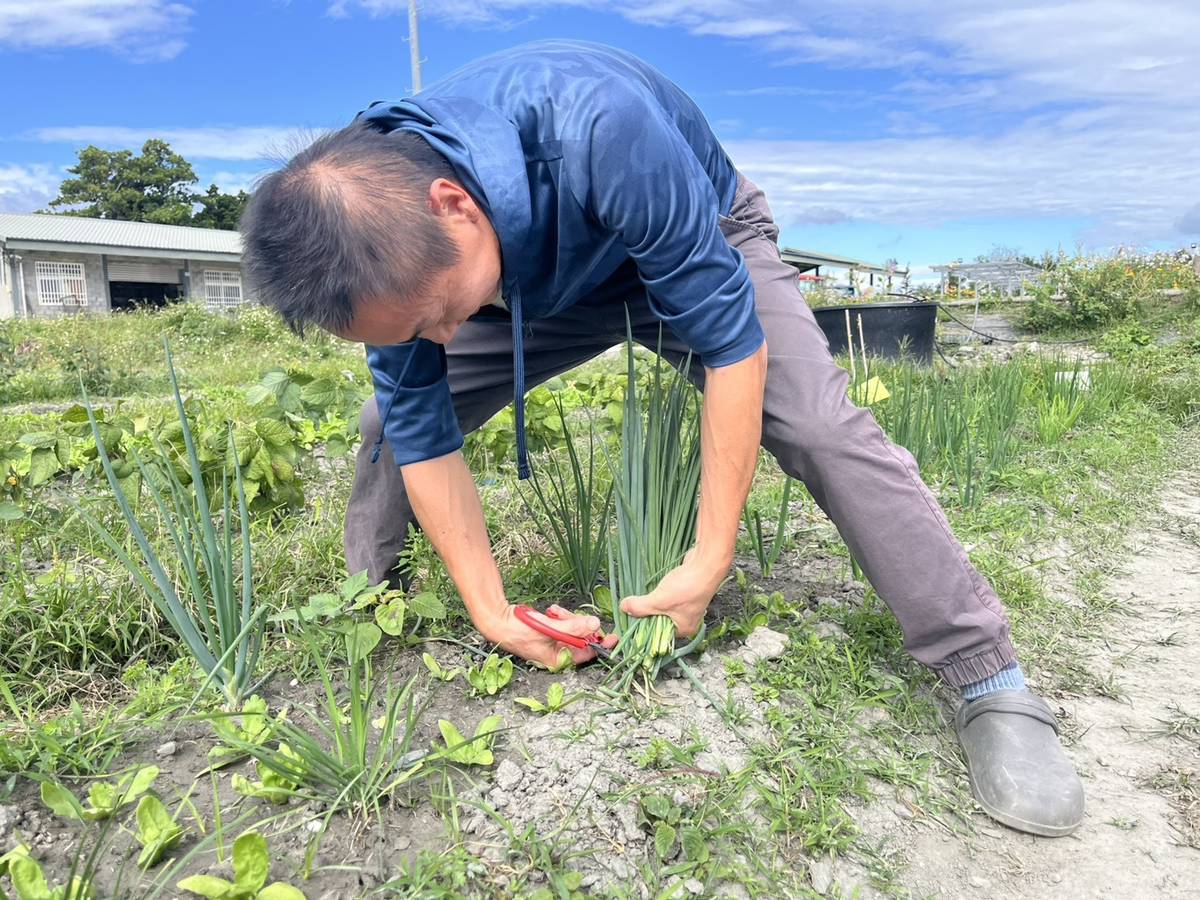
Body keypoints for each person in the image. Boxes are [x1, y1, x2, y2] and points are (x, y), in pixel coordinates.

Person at [240, 40, 1083, 837]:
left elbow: (731, 349)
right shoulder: (374, 244)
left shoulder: (602, 126)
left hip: (692, 236)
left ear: (454, 206)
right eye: (409, 330)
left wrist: (709, 558)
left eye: (433, 317)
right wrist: (492, 613)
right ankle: (369, 601)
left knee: (821, 426)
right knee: (389, 420)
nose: (438, 340)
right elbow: (426, 428)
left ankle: (990, 679)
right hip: (524, 283)